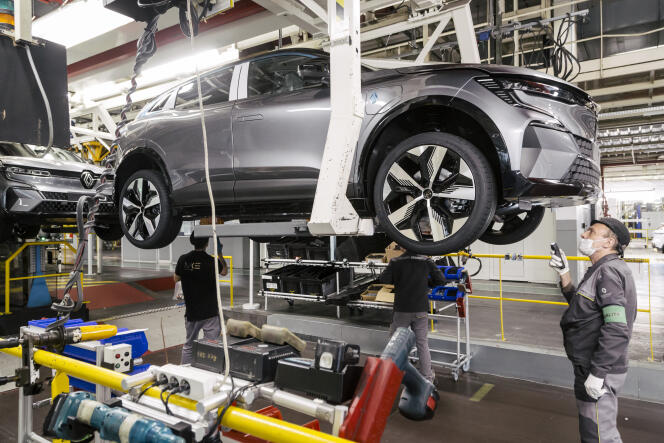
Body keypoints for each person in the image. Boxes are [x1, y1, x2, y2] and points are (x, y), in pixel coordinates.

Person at [549, 217, 636, 443]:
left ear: (608, 243)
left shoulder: (608, 272)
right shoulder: (601, 269)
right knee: (593, 430)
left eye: (591, 231)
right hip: (592, 364)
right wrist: (564, 274)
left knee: (598, 435)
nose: (583, 235)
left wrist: (597, 374)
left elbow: (617, 328)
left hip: (598, 367)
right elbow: (583, 309)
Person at [380, 249, 446, 383]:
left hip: (401, 310)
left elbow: (384, 279)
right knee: (422, 343)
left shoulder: (395, 261)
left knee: (395, 343)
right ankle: (427, 377)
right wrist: (426, 284)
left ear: (403, 248)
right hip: (420, 309)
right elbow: (441, 280)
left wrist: (399, 281)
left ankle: (391, 376)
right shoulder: (426, 261)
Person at [175, 232, 228, 364]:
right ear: (207, 243)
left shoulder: (183, 259)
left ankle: (184, 371)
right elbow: (224, 271)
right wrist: (220, 253)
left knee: (188, 345)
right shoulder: (212, 261)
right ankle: (209, 371)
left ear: (192, 241)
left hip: (192, 313)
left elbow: (176, 279)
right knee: (212, 346)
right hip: (210, 313)